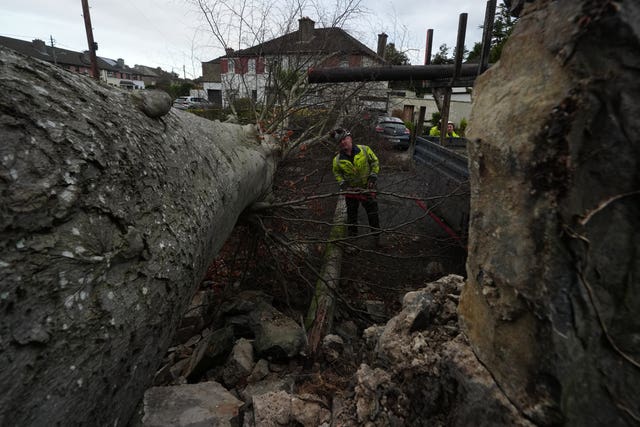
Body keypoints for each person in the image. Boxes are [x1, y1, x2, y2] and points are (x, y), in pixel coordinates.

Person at [331, 128, 382, 249]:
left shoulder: (364, 150)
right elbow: (337, 173)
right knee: (352, 217)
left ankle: (377, 238)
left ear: (350, 138)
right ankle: (353, 241)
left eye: (344, 139)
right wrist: (343, 185)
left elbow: (374, 162)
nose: (343, 142)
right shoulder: (337, 160)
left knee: (373, 214)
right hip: (351, 191)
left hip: (367, 188)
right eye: (340, 141)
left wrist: (373, 177)